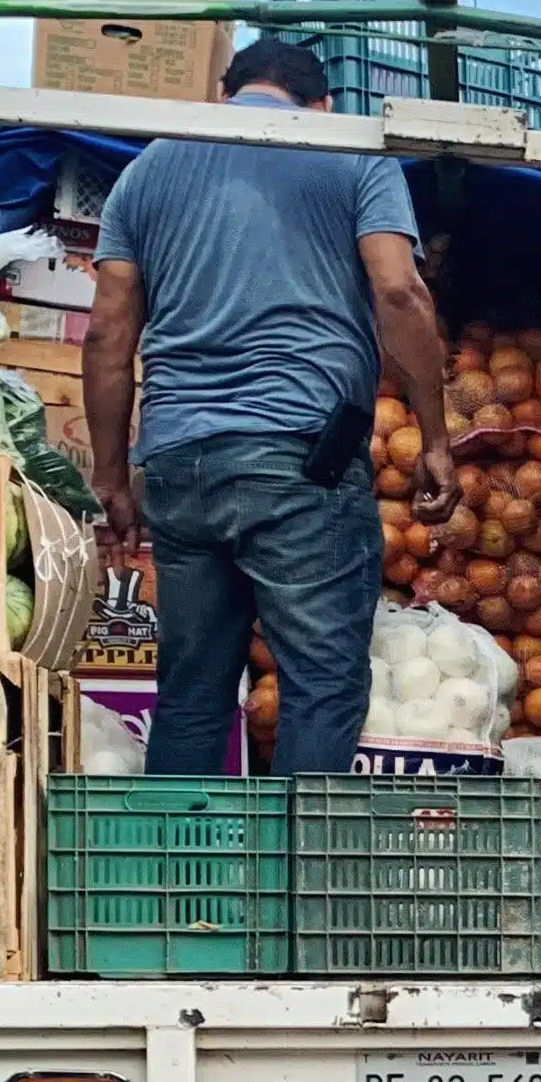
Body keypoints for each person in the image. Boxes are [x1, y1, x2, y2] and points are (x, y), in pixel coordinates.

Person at [84, 38, 456, 776]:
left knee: (191, 691)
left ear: (229, 92)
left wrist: (112, 478)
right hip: (297, 457)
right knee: (322, 682)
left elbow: (105, 333)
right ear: (321, 104)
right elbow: (398, 291)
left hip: (179, 466)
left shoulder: (146, 172)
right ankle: (292, 889)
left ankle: (173, 885)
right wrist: (435, 436)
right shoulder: (349, 151)